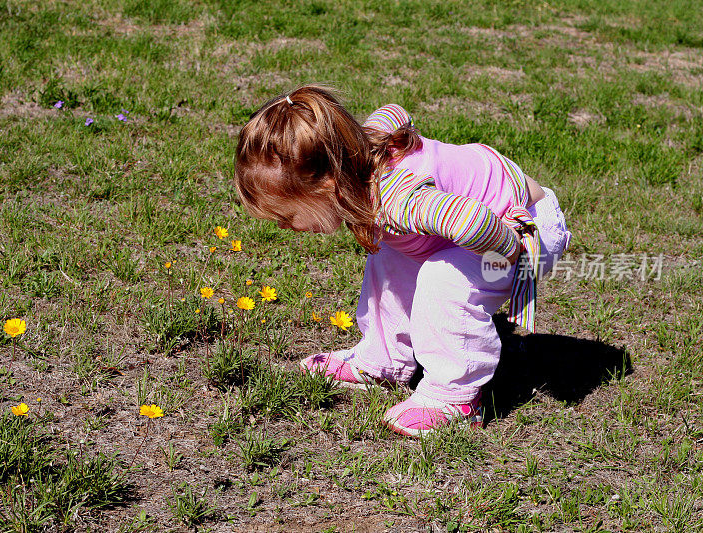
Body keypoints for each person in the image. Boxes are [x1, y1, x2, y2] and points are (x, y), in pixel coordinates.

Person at [233, 85, 572, 437]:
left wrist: (512, 251)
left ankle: (456, 396)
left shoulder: (400, 201)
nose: (287, 227)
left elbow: (473, 221)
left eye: (287, 216)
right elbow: (393, 111)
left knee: (445, 280)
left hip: (523, 228)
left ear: (328, 184)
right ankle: (383, 361)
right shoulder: (361, 150)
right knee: (390, 256)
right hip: (472, 225)